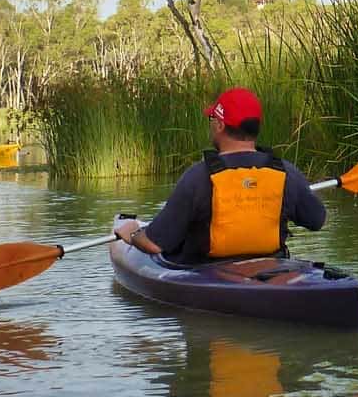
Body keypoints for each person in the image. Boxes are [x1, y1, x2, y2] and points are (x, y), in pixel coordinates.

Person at [114, 87, 325, 264]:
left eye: (212, 118)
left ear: (220, 125)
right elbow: (316, 220)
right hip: (271, 270)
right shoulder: (286, 172)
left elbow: (153, 244)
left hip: (206, 274)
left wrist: (132, 234)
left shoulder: (198, 177)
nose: (211, 123)